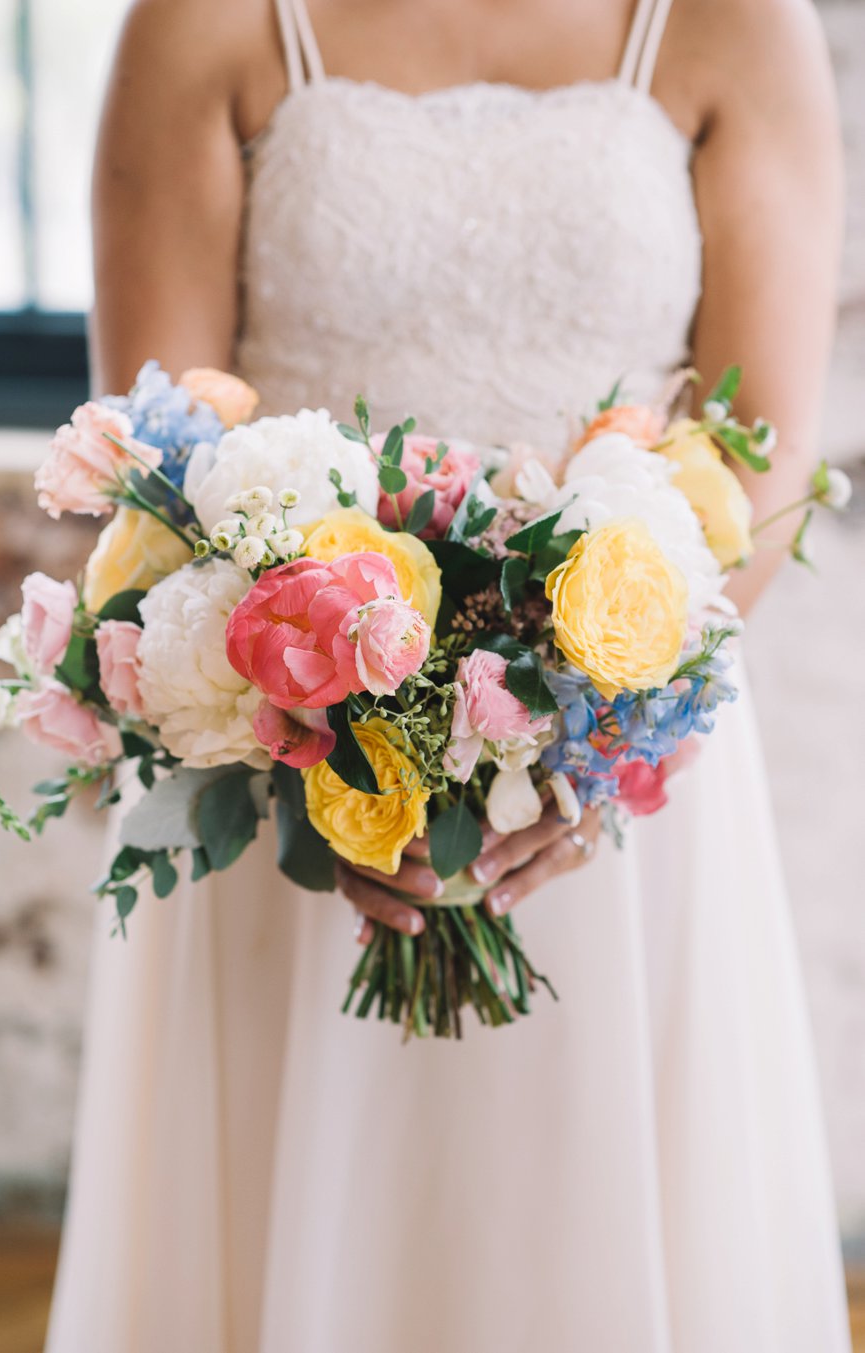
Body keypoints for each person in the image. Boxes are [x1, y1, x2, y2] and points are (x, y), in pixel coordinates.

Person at [45, 1, 850, 1350]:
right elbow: (164, 448)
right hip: (291, 750)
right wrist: (324, 735)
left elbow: (757, 462)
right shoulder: (202, 22)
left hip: (619, 781)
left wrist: (587, 741)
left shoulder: (739, 24)